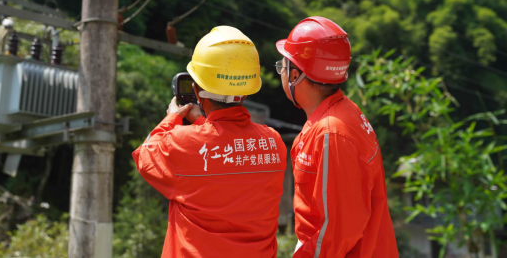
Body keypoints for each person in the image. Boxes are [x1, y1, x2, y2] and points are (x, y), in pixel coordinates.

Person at [133, 26, 287, 258]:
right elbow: (226, 152)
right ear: (246, 92)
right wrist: (201, 122)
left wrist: (172, 116)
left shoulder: (180, 142)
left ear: (196, 88)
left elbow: (145, 156)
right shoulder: (273, 142)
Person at [275, 16, 399, 257]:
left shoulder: (331, 134)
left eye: (283, 65)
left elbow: (334, 234)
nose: (281, 71)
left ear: (295, 75)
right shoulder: (344, 112)